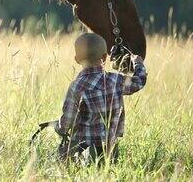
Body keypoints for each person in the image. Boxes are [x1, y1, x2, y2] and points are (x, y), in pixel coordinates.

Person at [53, 33, 147, 164]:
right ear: (104, 57)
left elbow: (66, 122)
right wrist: (138, 64)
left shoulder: (76, 86)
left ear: (76, 59)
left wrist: (58, 127)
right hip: (110, 149)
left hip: (83, 150)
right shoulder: (116, 81)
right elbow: (139, 82)